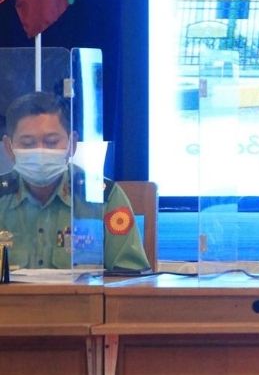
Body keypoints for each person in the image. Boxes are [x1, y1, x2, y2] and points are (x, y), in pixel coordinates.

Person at [0, 91, 150, 272]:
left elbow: (130, 276)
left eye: (51, 142)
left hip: (84, 292)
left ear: (72, 144)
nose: (40, 151)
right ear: (9, 147)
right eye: (28, 143)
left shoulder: (103, 197)